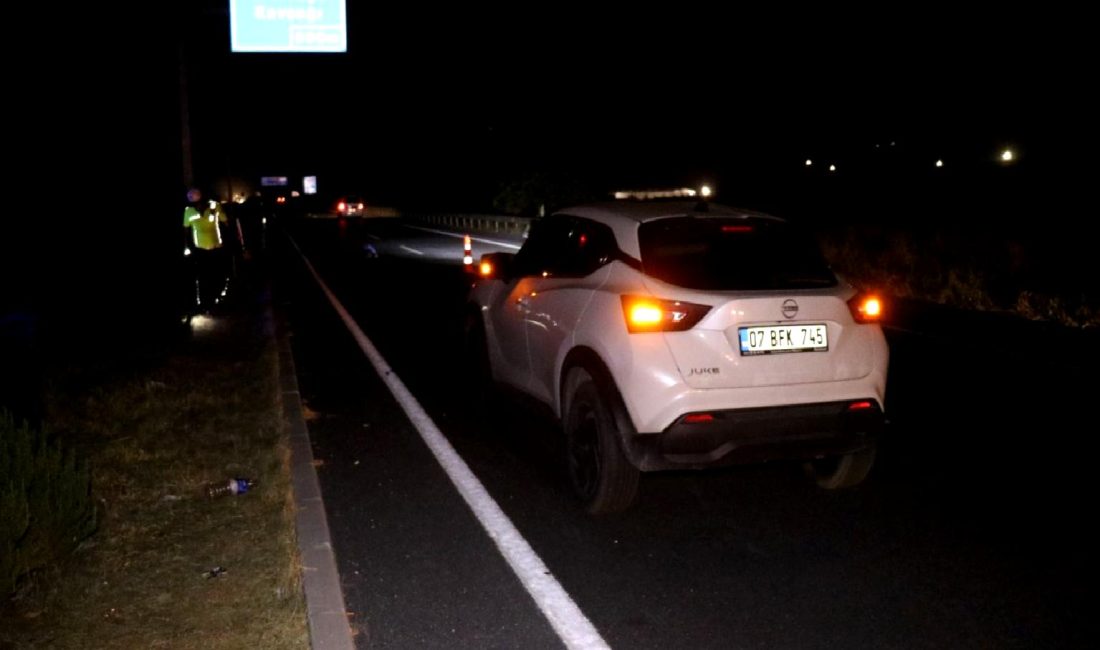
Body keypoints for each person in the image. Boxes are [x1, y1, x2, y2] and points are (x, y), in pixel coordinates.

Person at [183, 187, 236, 312]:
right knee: (203, 277)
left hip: (216, 248)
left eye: (198, 203)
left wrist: (232, 239)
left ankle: (218, 298)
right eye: (194, 204)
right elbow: (185, 230)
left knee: (218, 274)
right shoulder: (189, 211)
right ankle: (204, 302)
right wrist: (186, 247)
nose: (197, 207)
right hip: (200, 250)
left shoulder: (215, 206)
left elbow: (226, 222)